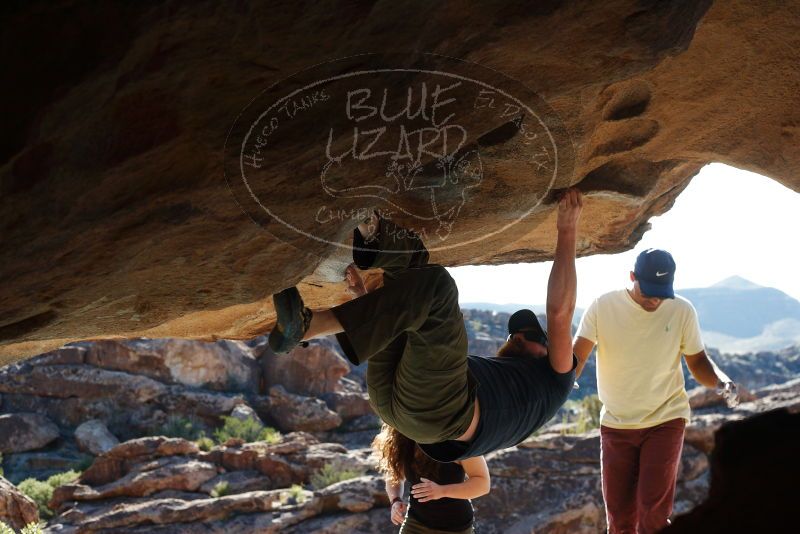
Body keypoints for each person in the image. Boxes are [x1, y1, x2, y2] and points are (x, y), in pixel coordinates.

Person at [268, 188, 584, 461]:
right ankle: (371, 231)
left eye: (531, 336)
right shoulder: (504, 379)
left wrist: (568, 230)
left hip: (442, 415)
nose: (517, 337)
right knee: (418, 268)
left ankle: (308, 327)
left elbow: (560, 313)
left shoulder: (557, 381)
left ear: (550, 351)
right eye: (518, 333)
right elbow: (412, 338)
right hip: (403, 405)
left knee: (438, 288)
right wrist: (363, 298)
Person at [572, 248, 739, 534]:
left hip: (665, 420)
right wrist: (559, 384)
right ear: (632, 277)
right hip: (616, 424)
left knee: (654, 516)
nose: (655, 299)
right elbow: (578, 355)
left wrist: (721, 382)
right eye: (649, 291)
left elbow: (697, 360)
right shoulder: (603, 306)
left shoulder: (682, 310)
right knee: (620, 520)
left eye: (662, 292)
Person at [373, 423, 489, 533]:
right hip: (415, 523)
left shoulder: (458, 439)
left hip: (455, 527)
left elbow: (483, 484)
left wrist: (442, 491)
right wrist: (395, 500)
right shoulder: (403, 438)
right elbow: (394, 475)